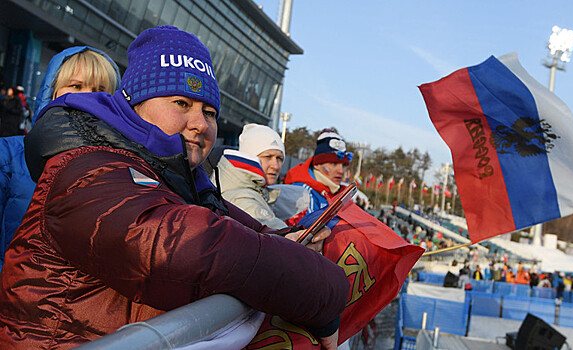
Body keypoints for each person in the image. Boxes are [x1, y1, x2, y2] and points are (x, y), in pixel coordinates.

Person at [0, 26, 349, 349]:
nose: (200, 124)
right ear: (133, 106)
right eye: (181, 103)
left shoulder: (181, 179)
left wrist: (285, 240)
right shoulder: (87, 165)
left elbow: (234, 224)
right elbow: (178, 242)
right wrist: (320, 288)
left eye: (209, 111)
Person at [0, 46, 120, 271]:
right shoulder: (7, 155)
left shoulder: (122, 171)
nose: (88, 97)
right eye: (76, 86)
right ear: (52, 92)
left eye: (101, 90)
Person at [212, 123, 309, 228]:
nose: (276, 166)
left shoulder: (256, 191)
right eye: (268, 157)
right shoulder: (241, 198)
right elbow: (276, 235)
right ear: (249, 157)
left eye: (279, 158)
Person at [285, 128, 352, 214]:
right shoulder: (302, 194)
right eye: (333, 164)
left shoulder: (341, 195)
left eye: (344, 165)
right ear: (317, 165)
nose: (341, 171)